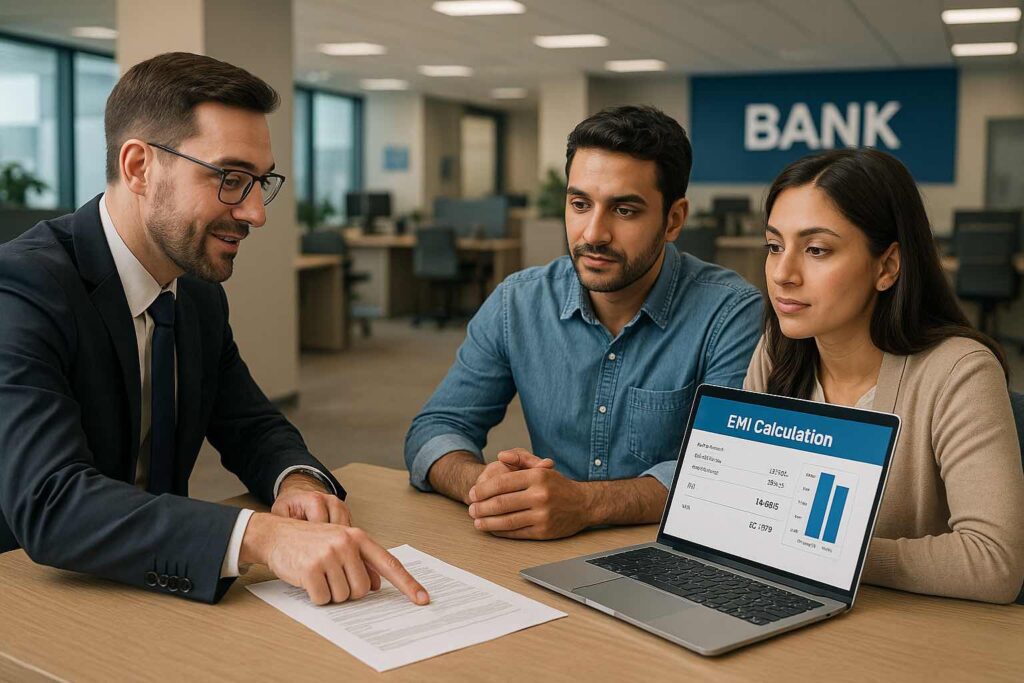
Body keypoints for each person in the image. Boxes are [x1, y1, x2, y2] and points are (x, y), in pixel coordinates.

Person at [0, 52, 428, 608]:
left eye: (259, 182)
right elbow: (51, 502)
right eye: (230, 179)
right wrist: (262, 536)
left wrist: (295, 480)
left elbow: (250, 423)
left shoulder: (196, 293)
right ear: (139, 167)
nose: (256, 213)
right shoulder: (22, 288)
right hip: (30, 596)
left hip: (152, 583)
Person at [405, 106, 762, 539]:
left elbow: (731, 470)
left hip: (665, 551)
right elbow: (434, 430)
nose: (593, 234)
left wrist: (587, 503)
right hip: (542, 546)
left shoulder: (730, 313)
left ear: (673, 220)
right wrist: (485, 487)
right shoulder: (518, 302)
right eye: (579, 204)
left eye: (624, 210)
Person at [744, 147, 1024, 603]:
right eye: (775, 247)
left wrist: (824, 554)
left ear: (887, 266)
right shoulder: (778, 351)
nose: (783, 274)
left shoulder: (959, 372)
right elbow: (745, 512)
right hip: (784, 604)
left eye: (816, 250)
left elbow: (994, 562)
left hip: (913, 630)